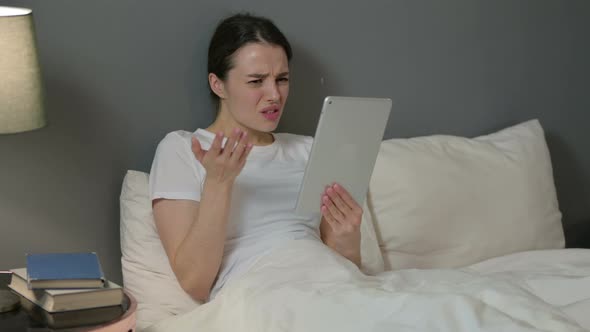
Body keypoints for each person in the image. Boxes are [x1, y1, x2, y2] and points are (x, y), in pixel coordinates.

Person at [149, 13, 363, 302]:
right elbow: (195, 282)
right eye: (256, 81)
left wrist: (348, 238)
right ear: (218, 84)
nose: (274, 94)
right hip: (263, 296)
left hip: (332, 286)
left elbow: (347, 266)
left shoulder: (310, 149)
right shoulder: (183, 149)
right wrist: (218, 184)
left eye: (282, 79)